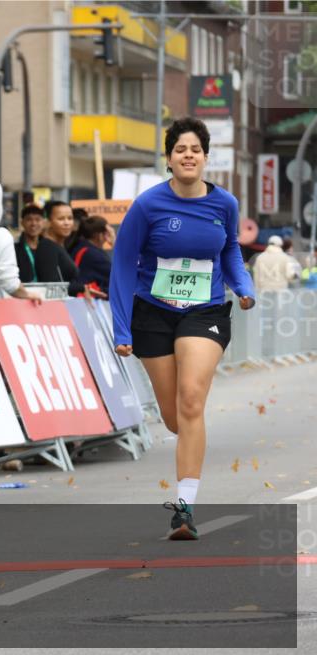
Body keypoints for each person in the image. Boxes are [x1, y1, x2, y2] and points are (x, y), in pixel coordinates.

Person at [109, 117, 255, 541]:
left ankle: (185, 509)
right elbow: (122, 265)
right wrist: (122, 329)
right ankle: (186, 444)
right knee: (175, 419)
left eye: (196, 149)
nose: (188, 155)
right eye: (180, 149)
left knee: (191, 400)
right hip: (153, 312)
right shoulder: (147, 206)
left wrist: (242, 287)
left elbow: (230, 249)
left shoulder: (224, 204)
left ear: (206, 157)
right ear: (169, 158)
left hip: (205, 310)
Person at [66, 214, 113, 296]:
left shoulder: (80, 247)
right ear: (98, 235)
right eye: (106, 232)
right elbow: (117, 277)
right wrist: (114, 243)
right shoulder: (93, 255)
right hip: (87, 301)